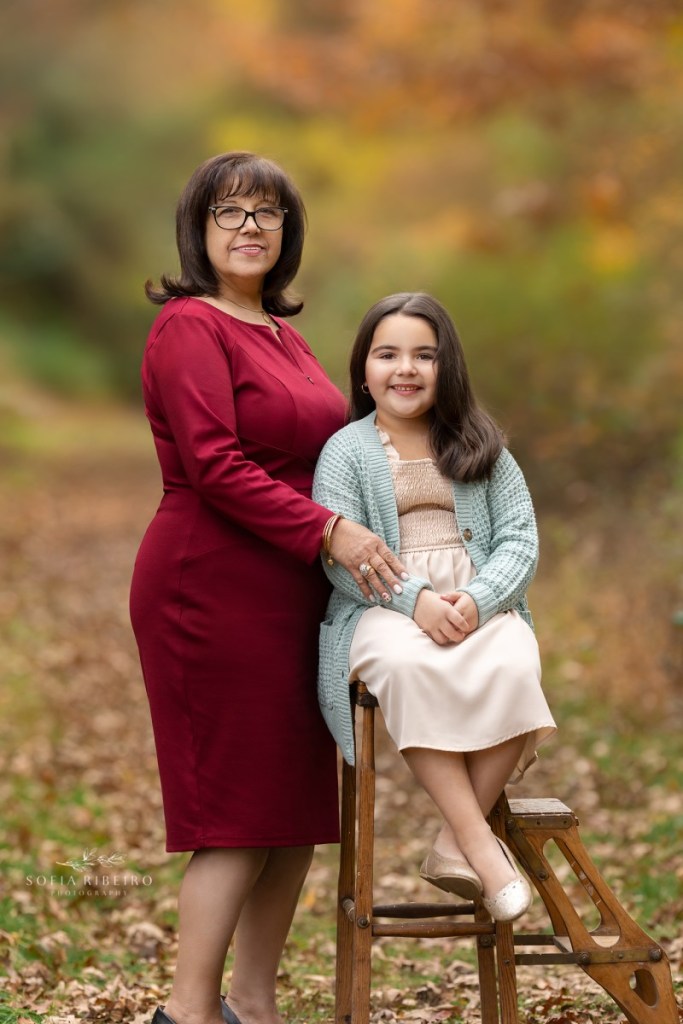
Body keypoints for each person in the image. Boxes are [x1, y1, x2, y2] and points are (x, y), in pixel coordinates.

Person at [129, 152, 409, 1024]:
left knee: (294, 816)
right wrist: (328, 529)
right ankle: (188, 1013)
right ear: (199, 230)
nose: (249, 226)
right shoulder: (188, 327)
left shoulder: (284, 334)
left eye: (266, 212)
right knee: (235, 817)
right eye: (229, 211)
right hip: (207, 588)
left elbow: (339, 448)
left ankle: (253, 1006)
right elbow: (214, 464)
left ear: (287, 233)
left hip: (293, 594)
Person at [313, 292, 557, 923]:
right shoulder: (345, 450)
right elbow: (337, 557)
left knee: (514, 665)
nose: (407, 369)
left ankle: (452, 843)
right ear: (363, 369)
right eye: (388, 354)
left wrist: (476, 603)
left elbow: (520, 539)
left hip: (477, 601)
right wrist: (412, 601)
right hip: (381, 609)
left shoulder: (480, 444)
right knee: (407, 668)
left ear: (448, 367)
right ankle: (479, 842)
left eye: (425, 355)